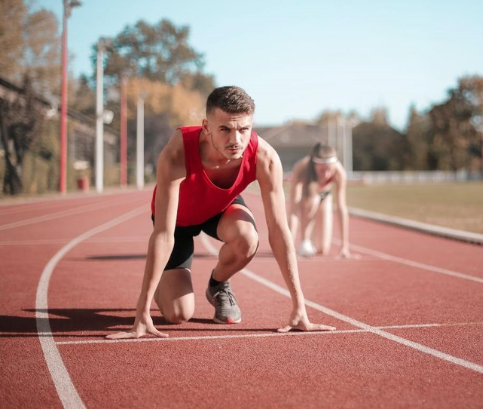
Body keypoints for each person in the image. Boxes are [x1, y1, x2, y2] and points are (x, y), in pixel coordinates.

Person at [107, 86, 334, 339]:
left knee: (248, 238)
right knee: (177, 315)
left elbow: (280, 231)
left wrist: (299, 306)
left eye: (243, 129)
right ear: (207, 127)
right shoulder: (177, 152)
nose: (235, 140)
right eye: (225, 129)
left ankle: (218, 285)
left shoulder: (265, 157)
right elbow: (163, 234)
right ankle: (162, 279)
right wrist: (142, 311)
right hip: (178, 221)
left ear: (251, 125)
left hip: (219, 209)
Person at [287, 143, 355, 258]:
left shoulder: (339, 172)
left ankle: (313, 241)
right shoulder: (301, 168)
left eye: (330, 169)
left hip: (325, 195)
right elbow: (294, 209)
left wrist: (344, 246)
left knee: (322, 249)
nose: (326, 174)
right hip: (307, 195)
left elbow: (341, 208)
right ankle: (305, 241)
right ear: (314, 165)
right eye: (322, 170)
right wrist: (289, 246)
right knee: (313, 201)